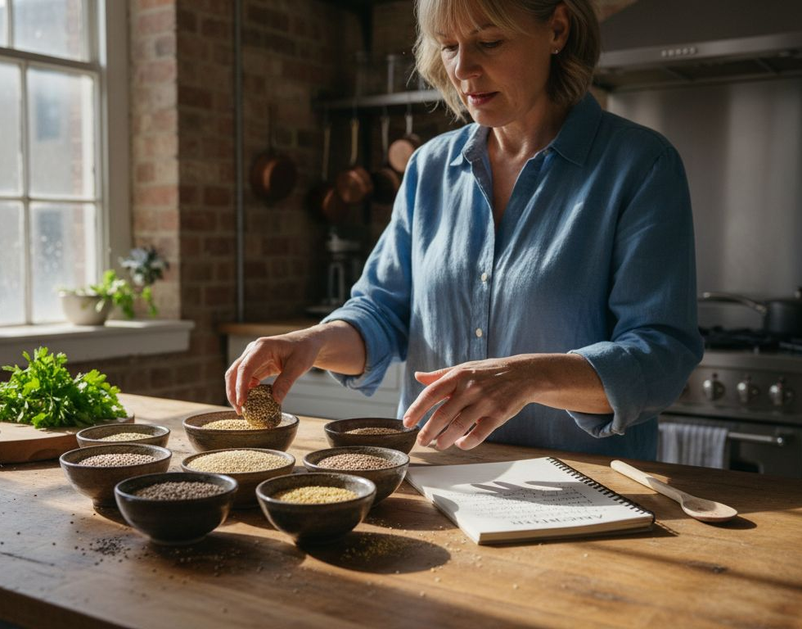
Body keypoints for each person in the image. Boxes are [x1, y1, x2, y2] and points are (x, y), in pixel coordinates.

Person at [226, 0, 703, 460]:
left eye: (489, 41)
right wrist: (313, 342)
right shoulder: (428, 167)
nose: (462, 69)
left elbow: (661, 359)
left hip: (586, 495)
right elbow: (382, 313)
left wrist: (528, 377)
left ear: (557, 29)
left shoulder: (640, 166)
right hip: (437, 483)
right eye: (449, 45)